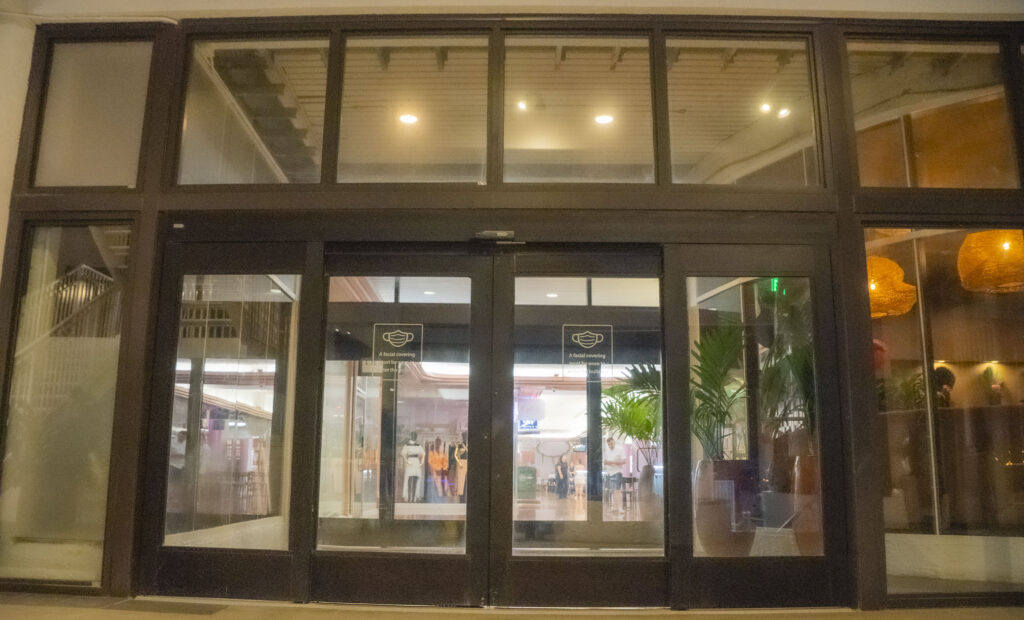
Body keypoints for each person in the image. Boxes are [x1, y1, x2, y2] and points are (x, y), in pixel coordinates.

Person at [603, 436, 627, 510]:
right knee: (611, 490)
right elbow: (604, 461)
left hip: (617, 472)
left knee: (617, 491)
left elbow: (624, 461)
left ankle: (620, 508)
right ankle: (615, 507)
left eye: (611, 444)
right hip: (609, 473)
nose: (610, 445)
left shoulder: (620, 449)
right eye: (609, 444)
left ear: (614, 442)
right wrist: (606, 462)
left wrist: (612, 462)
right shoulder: (607, 451)